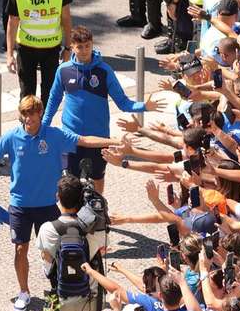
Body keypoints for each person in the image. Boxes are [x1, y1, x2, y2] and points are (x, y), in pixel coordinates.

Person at [0, 95, 120, 311]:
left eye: (32, 113)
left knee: (55, 250)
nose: (28, 118)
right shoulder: (12, 136)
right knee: (20, 249)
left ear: (40, 113)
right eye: (24, 114)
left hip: (47, 205)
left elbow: (83, 140)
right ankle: (24, 292)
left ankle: (57, 290)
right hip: (20, 205)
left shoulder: (54, 135)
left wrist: (114, 141)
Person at [42, 25, 162, 193]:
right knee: (70, 181)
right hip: (71, 136)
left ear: (92, 45)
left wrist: (144, 106)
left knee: (98, 176)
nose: (84, 50)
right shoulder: (63, 70)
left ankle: (99, 209)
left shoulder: (104, 71)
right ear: (72, 47)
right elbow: (53, 100)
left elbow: (123, 102)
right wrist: (44, 126)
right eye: (79, 47)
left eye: (87, 46)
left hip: (99, 137)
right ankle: (72, 215)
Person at [36, 174, 106, 311]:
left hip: (61, 296)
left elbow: (46, 261)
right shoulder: (94, 229)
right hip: (89, 295)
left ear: (57, 198)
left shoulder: (47, 229)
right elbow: (102, 251)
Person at [6, 0, 72, 106]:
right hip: (26, 49)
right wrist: (9, 54)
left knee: (49, 93)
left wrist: (68, 48)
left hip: (51, 48)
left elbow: (66, 20)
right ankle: (28, 127)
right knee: (27, 94)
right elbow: (12, 23)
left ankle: (44, 127)